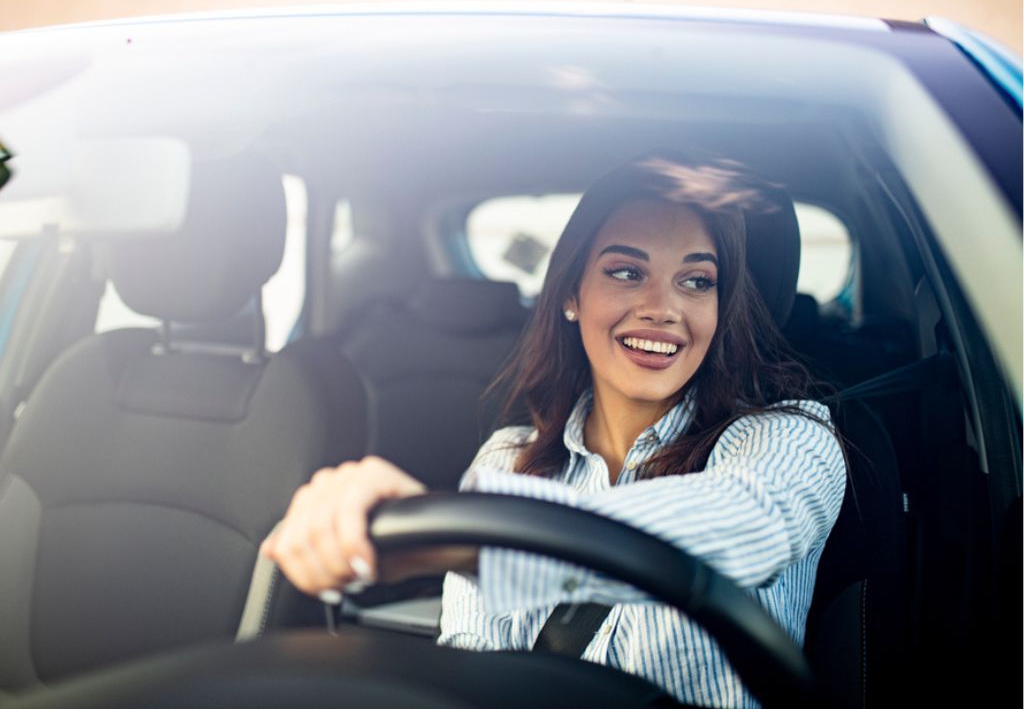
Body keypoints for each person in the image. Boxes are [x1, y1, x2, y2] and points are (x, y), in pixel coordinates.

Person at [261, 151, 847, 708]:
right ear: (571, 293)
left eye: (697, 282)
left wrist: (471, 542)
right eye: (626, 271)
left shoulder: (790, 439)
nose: (662, 308)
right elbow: (470, 662)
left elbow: (749, 523)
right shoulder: (507, 460)